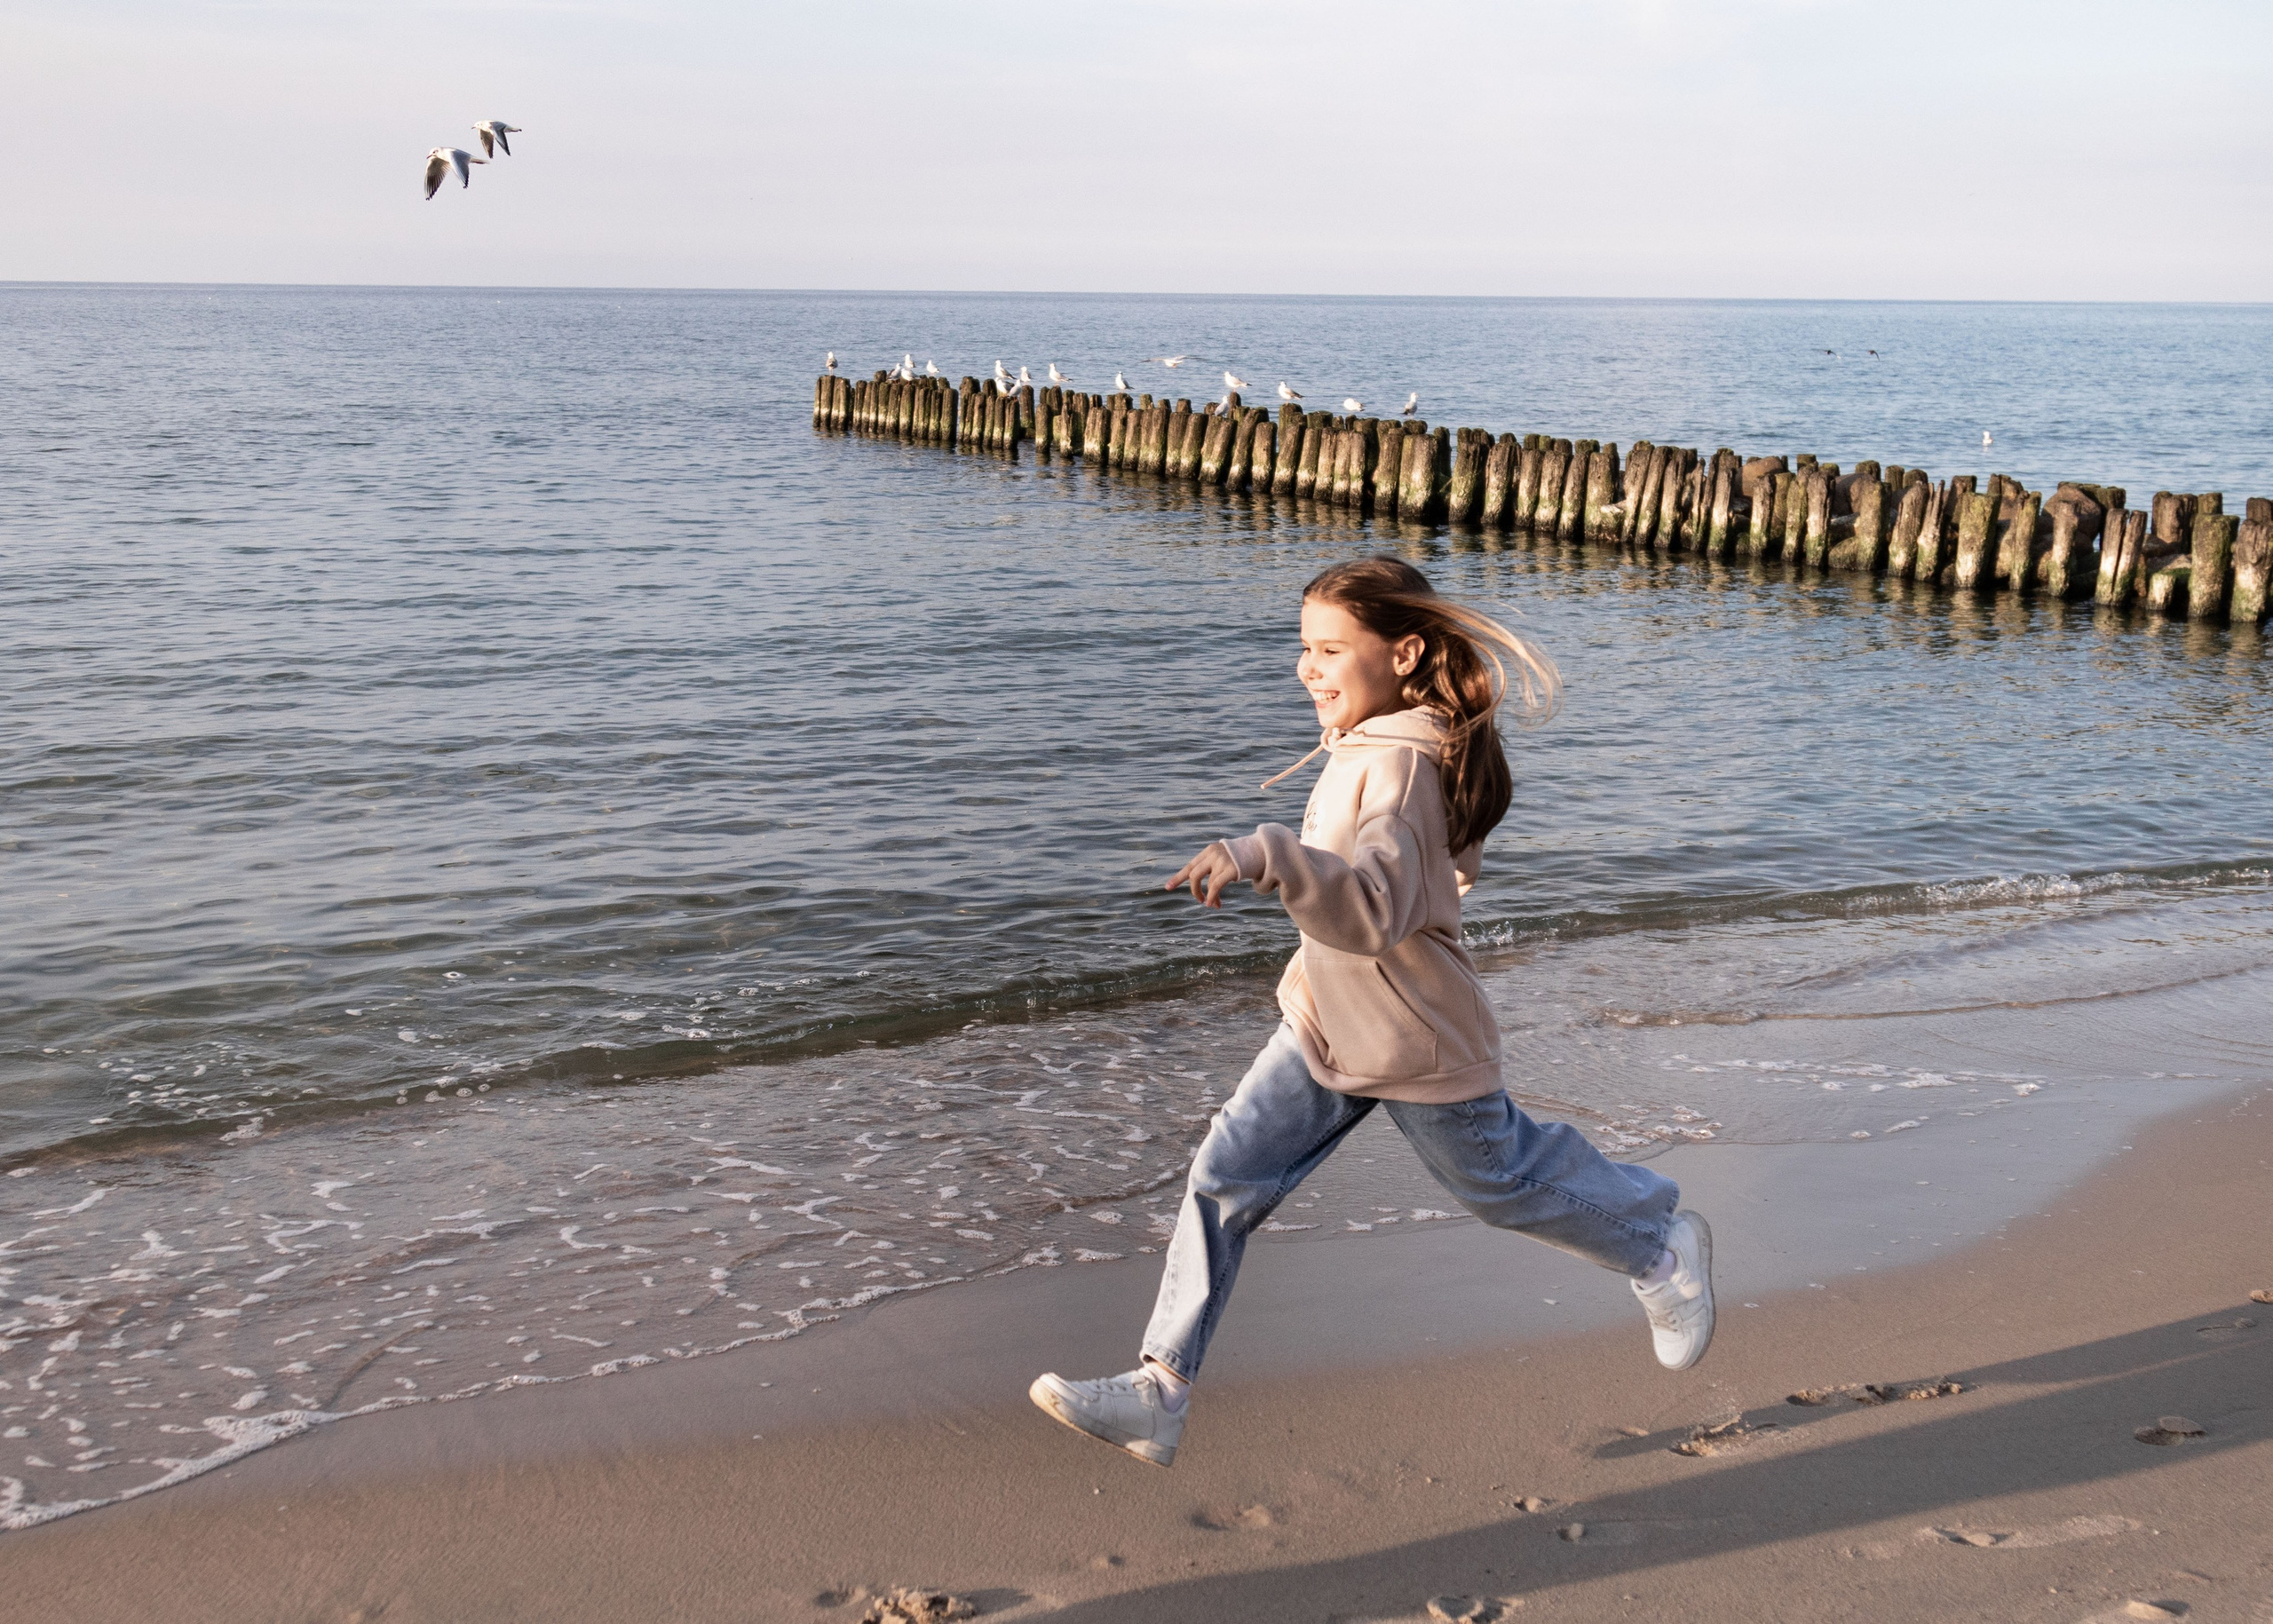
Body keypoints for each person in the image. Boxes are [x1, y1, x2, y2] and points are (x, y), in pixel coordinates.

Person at [1029, 556, 1713, 1468]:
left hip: (1410, 1035)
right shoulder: (1381, 742)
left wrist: (1265, 851)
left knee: (1503, 1183)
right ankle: (1162, 1387)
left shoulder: (1395, 764)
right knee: (1224, 1174)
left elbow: (1373, 912)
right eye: (1301, 648)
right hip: (1324, 1022)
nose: (1306, 668)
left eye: (1328, 649)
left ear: (1405, 652)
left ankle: (1658, 1242)